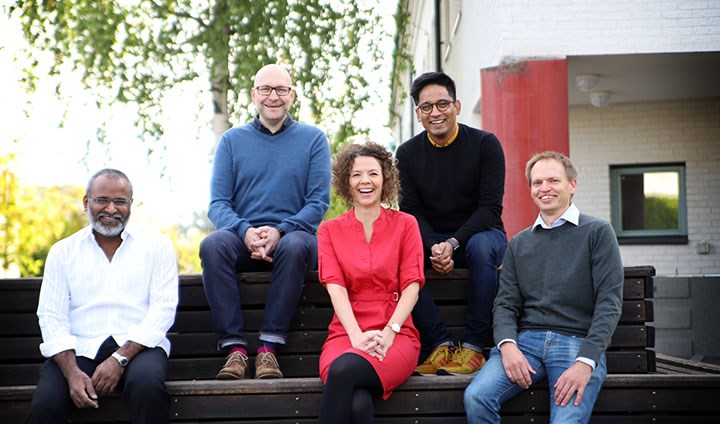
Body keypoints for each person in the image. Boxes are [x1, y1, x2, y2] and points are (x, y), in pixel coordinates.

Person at [463, 151, 624, 423]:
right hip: (526, 343)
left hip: (577, 343)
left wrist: (586, 362)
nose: (544, 188)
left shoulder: (597, 232)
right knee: (476, 397)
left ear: (572, 185)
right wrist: (507, 346)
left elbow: (609, 303)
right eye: (537, 183)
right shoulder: (519, 243)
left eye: (553, 180)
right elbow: (505, 303)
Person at [199, 63, 331, 380]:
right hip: (242, 239)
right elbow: (218, 204)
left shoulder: (313, 140)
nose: (274, 96)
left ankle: (269, 350)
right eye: (266, 89)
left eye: (281, 89)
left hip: (294, 239)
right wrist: (245, 232)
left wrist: (281, 230)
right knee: (213, 245)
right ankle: (235, 351)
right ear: (254, 95)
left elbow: (318, 203)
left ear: (292, 95)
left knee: (297, 244)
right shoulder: (232, 141)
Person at [26, 169, 179, 424]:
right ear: (87, 202)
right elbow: (51, 317)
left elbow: (162, 310)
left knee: (147, 389)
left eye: (120, 201)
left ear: (131, 204)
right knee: (46, 404)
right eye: (102, 200)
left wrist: (119, 358)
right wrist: (71, 372)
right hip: (80, 348)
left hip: (139, 347)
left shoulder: (157, 246)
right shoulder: (63, 252)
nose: (111, 209)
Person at [395, 71, 507, 375]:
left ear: (457, 105)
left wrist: (453, 242)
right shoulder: (406, 154)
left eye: (442, 104)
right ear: (418, 115)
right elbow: (411, 211)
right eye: (426, 107)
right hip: (432, 238)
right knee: (398, 252)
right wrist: (433, 245)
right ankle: (440, 345)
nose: (435, 113)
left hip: (481, 233)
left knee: (483, 247)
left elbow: (490, 209)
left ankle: (473, 347)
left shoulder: (485, 145)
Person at [317, 142, 425, 423]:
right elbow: (335, 286)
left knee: (343, 373)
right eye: (356, 174)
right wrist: (355, 335)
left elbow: (412, 285)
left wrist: (390, 332)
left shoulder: (406, 224)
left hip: (396, 334)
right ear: (346, 181)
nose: (365, 181)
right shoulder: (329, 230)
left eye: (373, 174)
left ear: (385, 178)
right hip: (345, 333)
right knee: (357, 402)